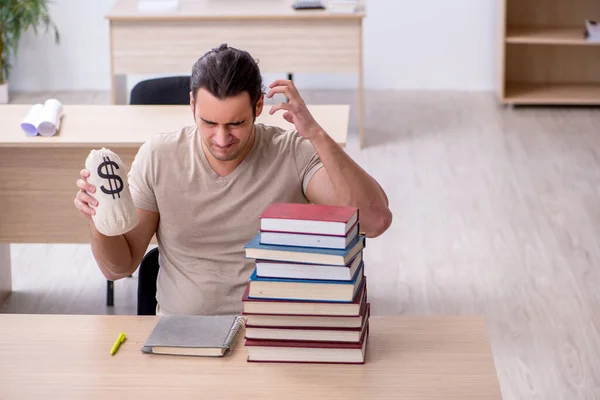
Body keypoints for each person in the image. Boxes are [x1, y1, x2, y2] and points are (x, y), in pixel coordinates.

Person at [74, 44, 392, 316]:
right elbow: (120, 267)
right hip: (182, 335)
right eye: (209, 122)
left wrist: (316, 134)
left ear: (258, 106)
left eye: (236, 123)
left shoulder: (292, 152)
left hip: (271, 331)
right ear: (192, 106)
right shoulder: (158, 156)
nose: (222, 138)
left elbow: (375, 221)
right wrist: (97, 219)